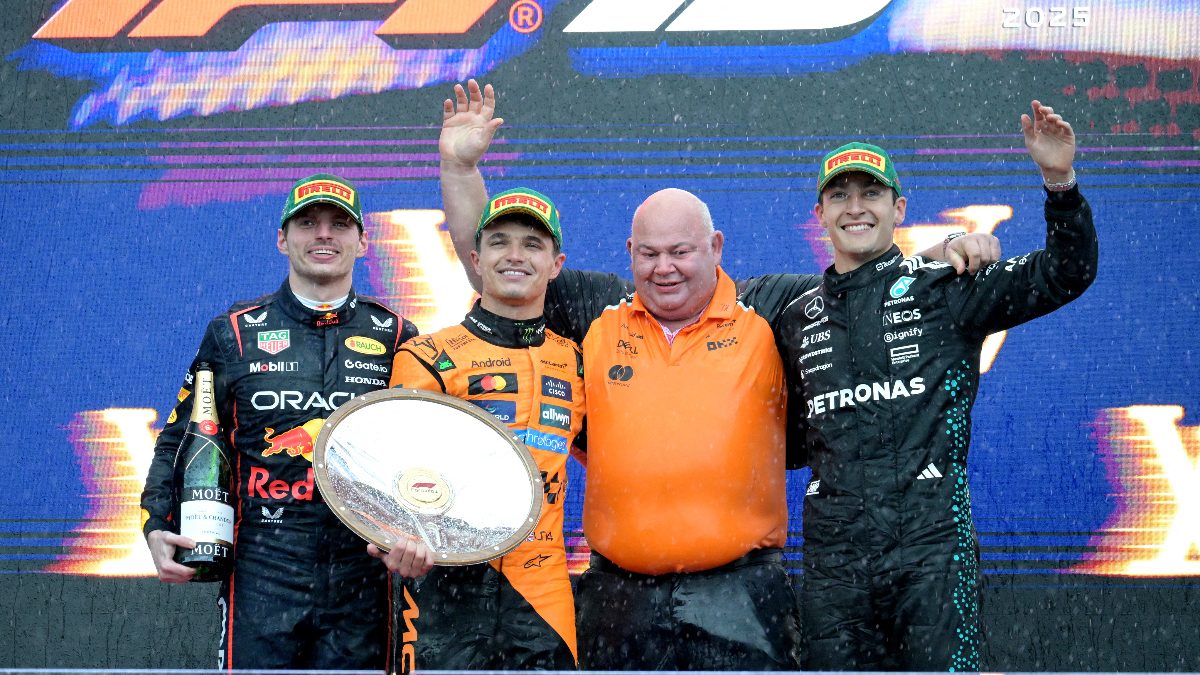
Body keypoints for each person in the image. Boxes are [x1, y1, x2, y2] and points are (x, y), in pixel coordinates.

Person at [438, 80, 1000, 670]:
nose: (664, 269)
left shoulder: (772, 305)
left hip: (743, 595)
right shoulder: (597, 310)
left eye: (681, 251)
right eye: (649, 254)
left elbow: (864, 282)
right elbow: (497, 270)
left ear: (716, 247)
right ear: (629, 251)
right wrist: (459, 167)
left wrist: (944, 252)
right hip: (615, 595)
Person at [780, 101, 1098, 671]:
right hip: (834, 566)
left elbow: (1065, 271)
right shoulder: (792, 310)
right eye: (840, 196)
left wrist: (1060, 182)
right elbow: (682, 288)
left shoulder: (946, 287)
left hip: (932, 555)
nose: (856, 208)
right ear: (820, 215)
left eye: (871, 194)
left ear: (898, 209)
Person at [140, 174, 419, 670]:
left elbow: (420, 453)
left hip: (365, 566)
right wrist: (158, 522)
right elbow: (182, 436)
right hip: (263, 562)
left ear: (363, 241)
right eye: (308, 223)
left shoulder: (398, 334)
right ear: (282, 238)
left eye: (339, 224)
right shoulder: (234, 332)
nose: (324, 235)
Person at [372, 187, 585, 670]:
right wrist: (394, 534)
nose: (515, 255)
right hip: (441, 588)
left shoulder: (576, 362)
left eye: (533, 244)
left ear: (556, 264)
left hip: (543, 587)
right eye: (499, 242)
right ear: (476, 257)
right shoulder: (425, 357)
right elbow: (392, 481)